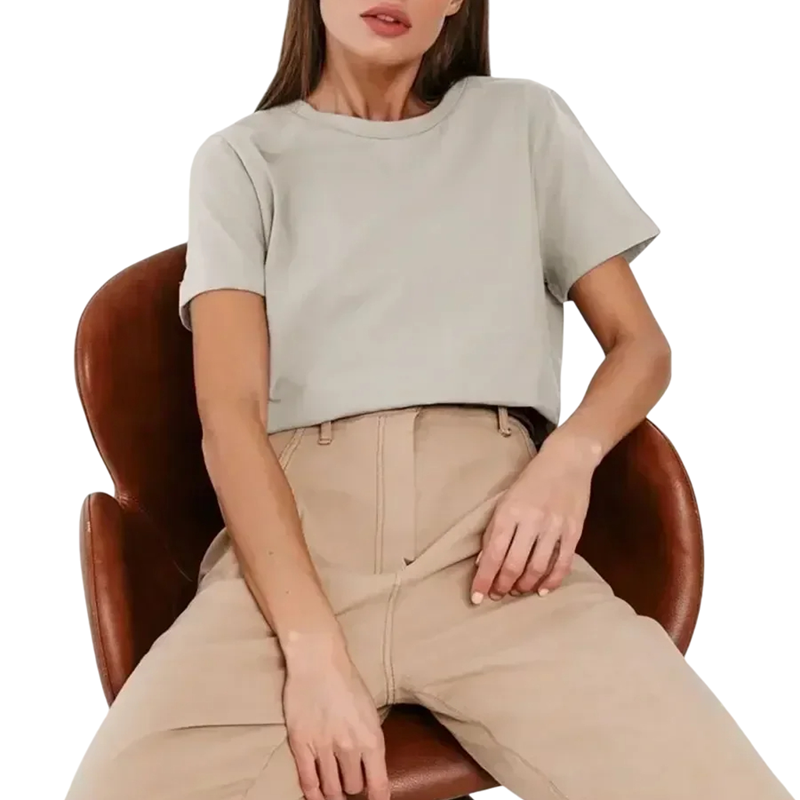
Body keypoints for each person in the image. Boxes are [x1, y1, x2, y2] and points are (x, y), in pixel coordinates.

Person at [64, 1, 795, 799]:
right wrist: (313, 654)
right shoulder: (241, 160)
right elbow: (230, 418)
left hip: (496, 557)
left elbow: (641, 347)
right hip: (291, 565)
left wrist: (568, 461)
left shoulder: (525, 125)